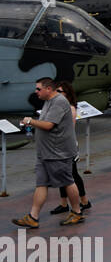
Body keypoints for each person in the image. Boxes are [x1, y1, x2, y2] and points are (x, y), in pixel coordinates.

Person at [12, 78, 84, 227]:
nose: (36, 92)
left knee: (68, 182)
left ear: (48, 89)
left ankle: (77, 212)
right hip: (45, 153)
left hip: (58, 153)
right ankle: (33, 217)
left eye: (38, 89)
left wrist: (30, 121)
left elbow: (49, 125)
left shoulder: (58, 102)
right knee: (41, 183)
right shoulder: (48, 102)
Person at [50, 81, 90, 215]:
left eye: (60, 92)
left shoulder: (69, 108)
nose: (57, 94)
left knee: (72, 174)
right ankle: (63, 203)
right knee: (61, 174)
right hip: (59, 145)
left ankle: (84, 200)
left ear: (67, 94)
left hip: (68, 145)